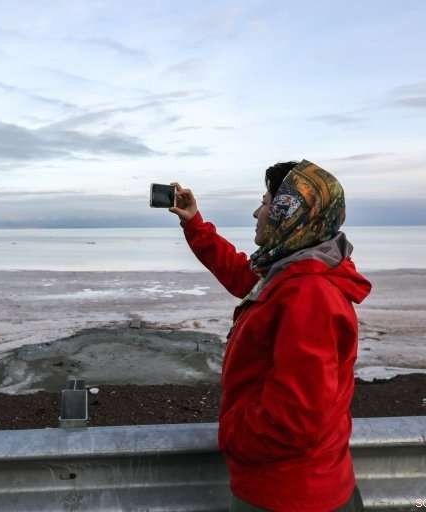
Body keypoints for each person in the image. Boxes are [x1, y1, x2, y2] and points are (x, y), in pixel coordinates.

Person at [169, 160, 371, 512]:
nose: (256, 212)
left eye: (265, 203)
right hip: (298, 486)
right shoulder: (291, 271)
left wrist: (236, 437)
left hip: (290, 496)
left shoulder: (309, 293)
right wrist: (194, 223)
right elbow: (241, 275)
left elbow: (296, 418)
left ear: (287, 212)